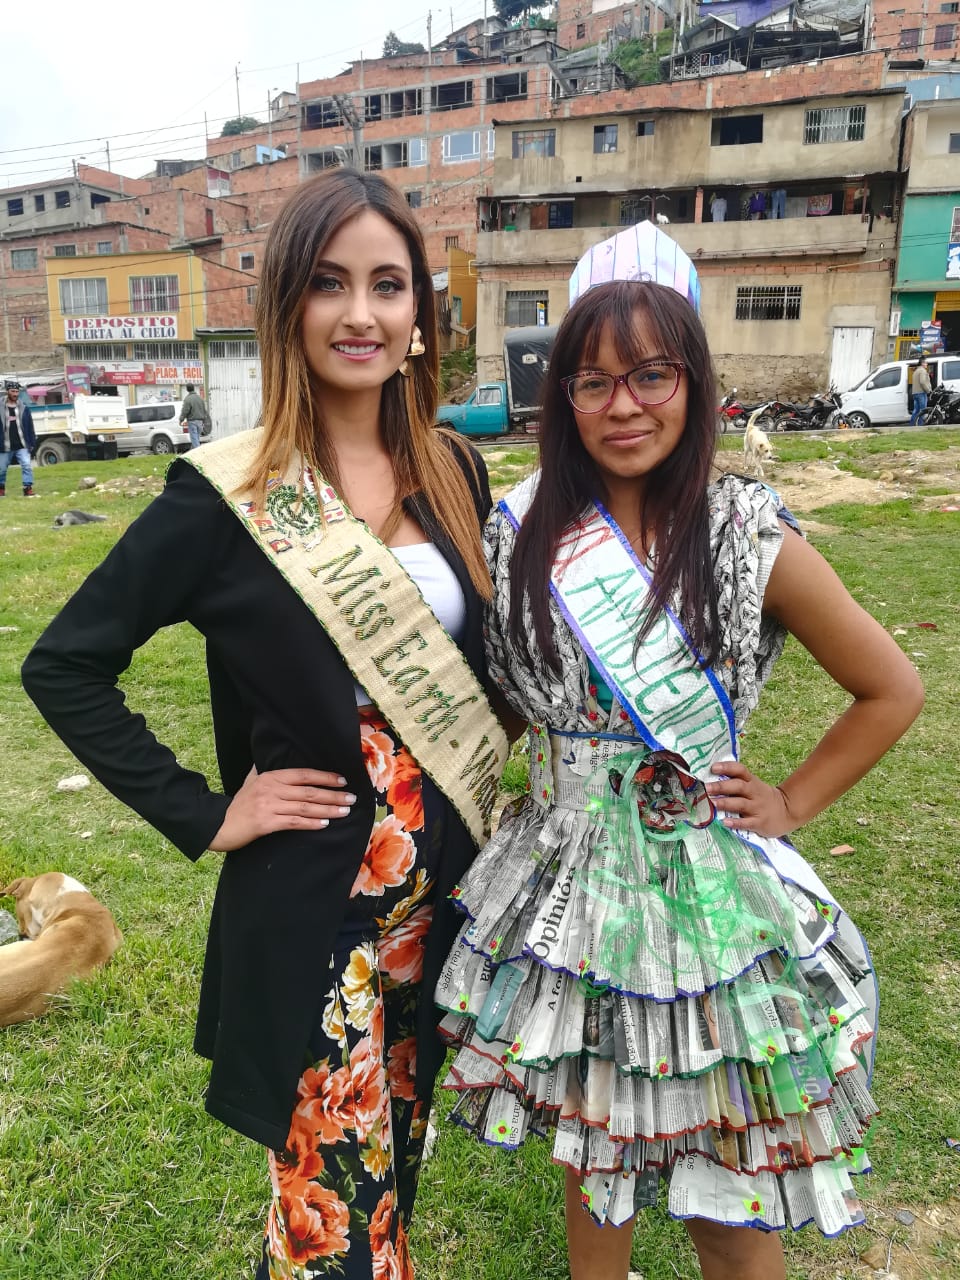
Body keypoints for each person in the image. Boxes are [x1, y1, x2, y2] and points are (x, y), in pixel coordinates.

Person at [21, 168, 508, 1280]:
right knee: (335, 1234)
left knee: (388, 1197)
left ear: (420, 320)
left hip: (440, 910)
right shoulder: (226, 495)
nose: (361, 313)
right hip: (313, 914)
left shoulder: (456, 472)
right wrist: (206, 809)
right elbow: (66, 663)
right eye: (330, 284)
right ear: (289, 306)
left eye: (389, 286)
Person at [435, 223, 923, 1280]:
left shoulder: (752, 534)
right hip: (568, 890)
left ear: (693, 381)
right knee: (593, 1152)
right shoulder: (518, 535)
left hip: (706, 897)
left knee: (729, 1186)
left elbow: (892, 686)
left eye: (651, 374)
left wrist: (789, 800)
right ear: (560, 393)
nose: (624, 405)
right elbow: (508, 701)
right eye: (594, 379)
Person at [1, 380, 37, 497]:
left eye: (17, 391)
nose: (15, 394)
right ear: (7, 392)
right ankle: (1, 489)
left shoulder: (24, 408)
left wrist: (32, 443)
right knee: (1, 469)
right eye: (13, 391)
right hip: (5, 445)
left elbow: (30, 427)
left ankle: (28, 488)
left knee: (26, 465)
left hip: (22, 444)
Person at [179, 382, 211, 449]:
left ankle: (198, 454)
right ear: (193, 388)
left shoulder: (188, 399)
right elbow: (204, 410)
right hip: (200, 422)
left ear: (187, 389)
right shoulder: (200, 398)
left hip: (192, 421)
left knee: (194, 439)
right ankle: (192, 453)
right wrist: (205, 420)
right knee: (196, 439)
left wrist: (181, 419)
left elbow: (185, 411)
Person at [910, 356, 932, 425]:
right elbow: (922, 382)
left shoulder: (916, 371)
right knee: (923, 411)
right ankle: (920, 426)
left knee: (916, 411)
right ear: (922, 363)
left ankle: (912, 425)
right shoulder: (922, 371)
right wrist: (928, 390)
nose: (927, 364)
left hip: (915, 393)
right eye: (926, 363)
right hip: (921, 393)